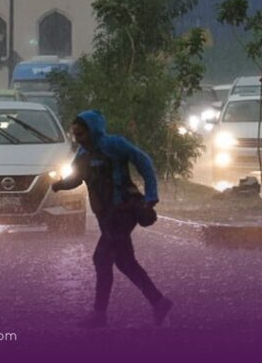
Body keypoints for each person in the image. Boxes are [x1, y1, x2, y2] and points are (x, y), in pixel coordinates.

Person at [51, 110, 172, 328]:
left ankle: (99, 314)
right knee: (125, 262)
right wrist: (60, 185)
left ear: (93, 130)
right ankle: (158, 301)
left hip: (123, 211)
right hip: (105, 215)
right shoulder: (82, 154)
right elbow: (76, 178)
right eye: (76, 135)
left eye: (81, 134)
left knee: (101, 258)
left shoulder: (114, 145)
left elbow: (143, 161)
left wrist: (152, 195)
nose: (78, 139)